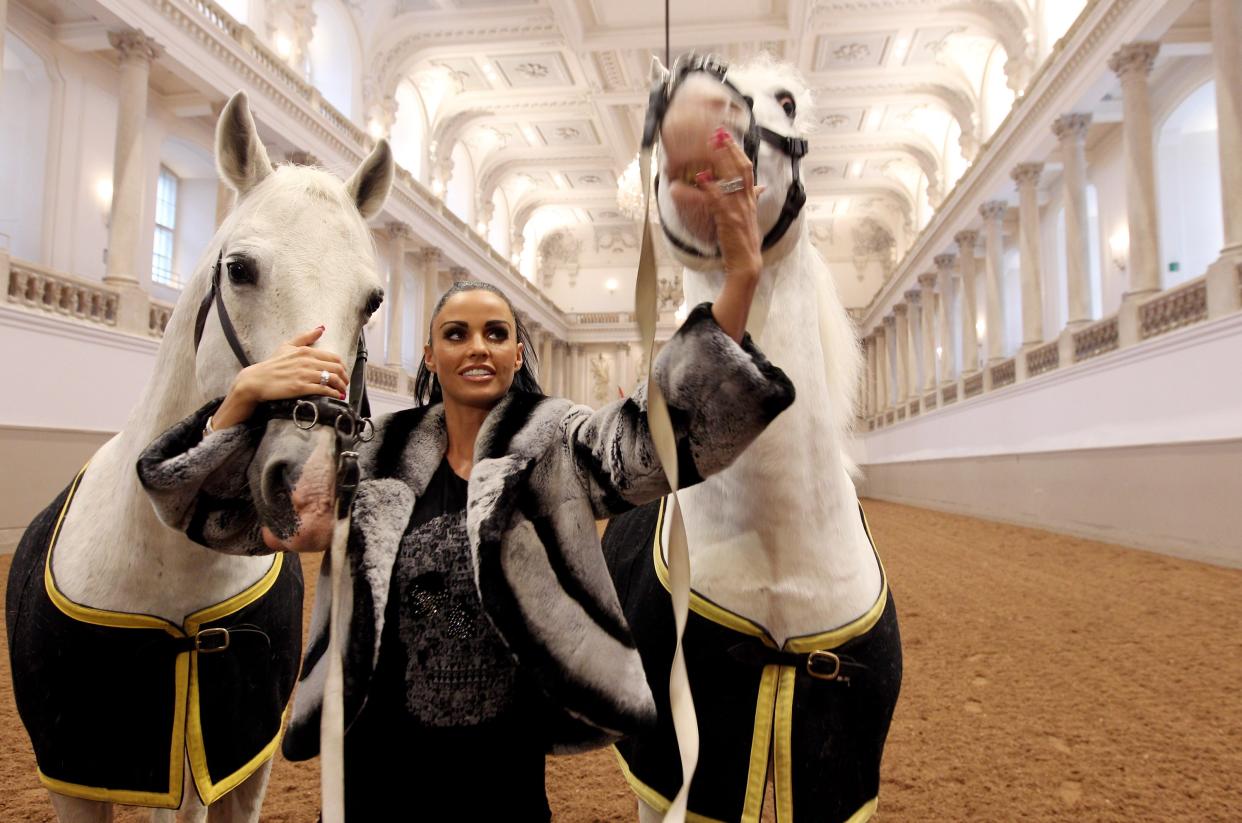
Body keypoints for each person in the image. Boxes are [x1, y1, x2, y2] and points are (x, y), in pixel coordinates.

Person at [137, 128, 792, 819]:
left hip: (500, 769)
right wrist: (239, 400)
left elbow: (655, 439)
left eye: (495, 333)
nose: (476, 346)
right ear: (431, 354)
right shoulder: (371, 456)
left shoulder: (553, 449)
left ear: (516, 355)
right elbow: (227, 520)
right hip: (378, 767)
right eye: (457, 333)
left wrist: (740, 280)